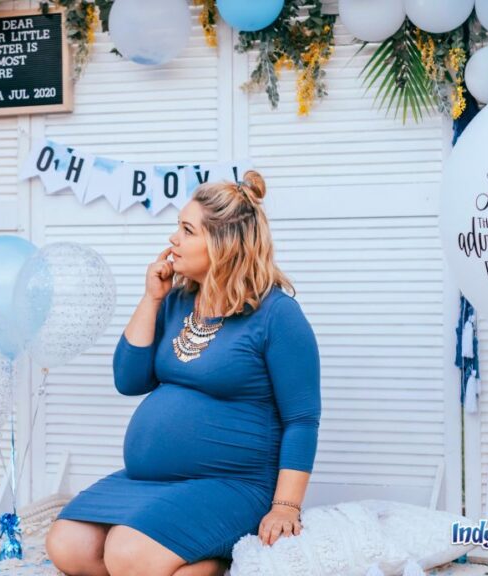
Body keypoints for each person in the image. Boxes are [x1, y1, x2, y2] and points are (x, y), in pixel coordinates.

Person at [45, 170, 322, 576]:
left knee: (126, 553)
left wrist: (285, 506)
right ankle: (196, 562)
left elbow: (302, 419)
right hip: (151, 483)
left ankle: (213, 564)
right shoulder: (177, 302)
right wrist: (151, 298)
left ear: (224, 244)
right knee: (68, 545)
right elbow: (129, 380)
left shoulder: (277, 315)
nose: (174, 239)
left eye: (187, 230)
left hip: (232, 484)